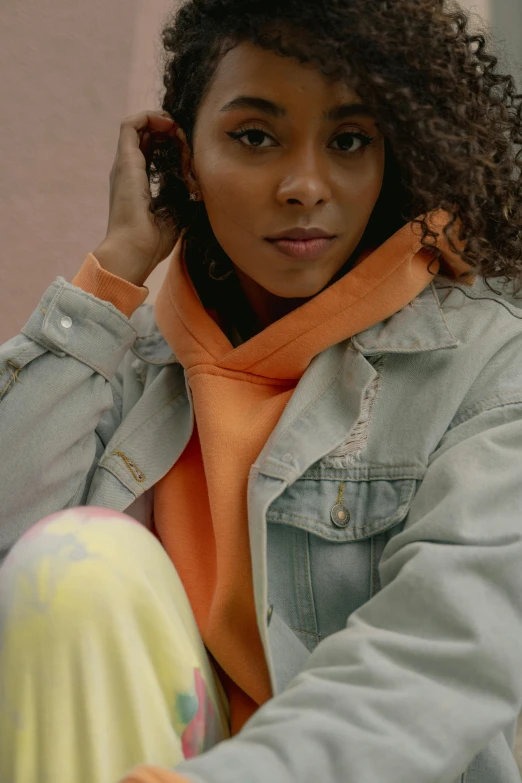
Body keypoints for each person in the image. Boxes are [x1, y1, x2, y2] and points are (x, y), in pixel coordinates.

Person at [0, 0, 521, 781]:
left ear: (392, 159)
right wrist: (111, 278)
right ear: (185, 165)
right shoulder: (136, 357)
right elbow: (15, 562)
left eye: (348, 141)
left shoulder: (486, 360)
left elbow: (442, 654)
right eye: (254, 137)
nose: (305, 186)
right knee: (77, 568)